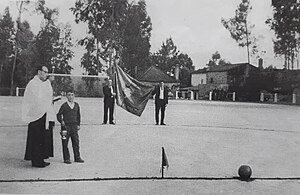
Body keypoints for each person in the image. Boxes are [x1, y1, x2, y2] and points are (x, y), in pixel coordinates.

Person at [22, 65, 55, 168]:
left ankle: (39, 158)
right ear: (39, 72)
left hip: (40, 114)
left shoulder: (39, 83)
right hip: (35, 115)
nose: (46, 74)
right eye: (45, 72)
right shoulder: (34, 83)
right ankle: (36, 160)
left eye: (47, 72)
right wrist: (49, 82)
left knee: (40, 138)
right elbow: (39, 97)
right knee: (36, 138)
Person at [56, 89, 84, 164]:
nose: (70, 97)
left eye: (72, 95)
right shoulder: (64, 105)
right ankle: (66, 158)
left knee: (76, 142)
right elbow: (58, 115)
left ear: (74, 96)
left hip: (74, 127)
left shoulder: (77, 105)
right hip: (66, 127)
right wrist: (61, 121)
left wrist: (78, 124)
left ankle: (77, 157)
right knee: (65, 143)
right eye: (69, 95)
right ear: (66, 96)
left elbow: (78, 115)